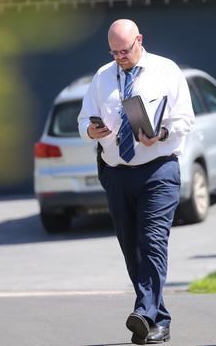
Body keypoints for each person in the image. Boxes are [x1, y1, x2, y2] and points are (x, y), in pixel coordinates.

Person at [78, 19, 194, 344]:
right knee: (132, 248)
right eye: (114, 52)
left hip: (158, 169)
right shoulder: (102, 77)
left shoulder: (166, 70)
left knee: (153, 241)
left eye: (124, 50)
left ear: (139, 40)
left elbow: (186, 118)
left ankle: (143, 312)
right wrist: (90, 129)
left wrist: (161, 133)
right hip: (115, 171)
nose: (119, 57)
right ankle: (158, 320)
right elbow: (83, 118)